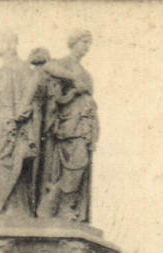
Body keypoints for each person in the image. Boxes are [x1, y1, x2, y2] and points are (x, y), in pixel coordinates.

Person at [36, 30, 98, 221]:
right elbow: (47, 67)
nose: (86, 47)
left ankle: (64, 205)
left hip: (84, 125)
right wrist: (73, 81)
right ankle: (58, 206)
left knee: (79, 165)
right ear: (73, 42)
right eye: (83, 42)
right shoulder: (64, 63)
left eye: (88, 43)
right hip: (70, 125)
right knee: (74, 165)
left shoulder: (85, 72)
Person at [0, 33, 47, 218]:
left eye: (2, 41)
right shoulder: (0, 72)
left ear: (10, 44)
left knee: (12, 162)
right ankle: (5, 206)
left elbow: (30, 101)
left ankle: (14, 208)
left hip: (13, 128)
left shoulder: (20, 69)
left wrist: (19, 115)